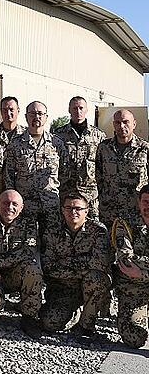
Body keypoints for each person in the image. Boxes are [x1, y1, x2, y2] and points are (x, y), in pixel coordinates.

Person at [0, 189, 43, 338]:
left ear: (21, 207)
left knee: (33, 269)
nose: (9, 207)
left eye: (14, 204)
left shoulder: (28, 223)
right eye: (5, 203)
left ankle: (29, 317)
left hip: (13, 275)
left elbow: (29, 250)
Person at [39, 193, 110, 339]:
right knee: (50, 323)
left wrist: (66, 263)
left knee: (97, 278)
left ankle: (86, 325)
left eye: (78, 208)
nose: (73, 212)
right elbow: (48, 267)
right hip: (63, 287)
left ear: (86, 211)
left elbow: (101, 263)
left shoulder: (98, 231)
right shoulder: (52, 231)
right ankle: (76, 312)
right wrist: (83, 267)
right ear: (62, 210)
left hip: (89, 285)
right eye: (69, 208)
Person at [4, 101, 67, 236]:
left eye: (40, 114)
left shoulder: (57, 144)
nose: (36, 117)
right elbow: (9, 175)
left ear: (46, 117)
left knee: (51, 244)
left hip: (51, 205)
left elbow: (65, 174)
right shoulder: (15, 144)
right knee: (26, 244)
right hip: (25, 206)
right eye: (32, 114)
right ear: (26, 117)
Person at [53, 96, 105, 218]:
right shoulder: (58, 135)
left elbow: (103, 166)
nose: (78, 111)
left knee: (93, 228)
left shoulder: (98, 136)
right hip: (66, 193)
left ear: (86, 110)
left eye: (81, 108)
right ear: (69, 110)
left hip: (90, 194)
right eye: (74, 108)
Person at [96, 109, 149, 228]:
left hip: (136, 214)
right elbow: (98, 178)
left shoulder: (144, 149)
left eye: (126, 122)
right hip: (109, 214)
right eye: (118, 122)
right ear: (114, 124)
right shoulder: (103, 148)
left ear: (134, 124)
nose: (122, 126)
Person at [111, 184, 149, 348]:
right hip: (134, 289)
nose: (148, 206)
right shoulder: (125, 224)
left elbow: (136, 267)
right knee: (134, 338)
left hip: (140, 277)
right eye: (146, 201)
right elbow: (127, 261)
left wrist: (142, 273)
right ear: (139, 202)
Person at [0, 96, 25, 197]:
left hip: (20, 188)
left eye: (11, 109)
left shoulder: (26, 135)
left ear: (18, 110)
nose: (8, 113)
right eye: (4, 110)